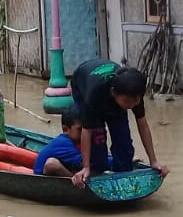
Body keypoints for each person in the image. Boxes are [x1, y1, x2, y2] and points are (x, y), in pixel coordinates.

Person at [69, 58, 169, 188]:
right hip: (82, 83)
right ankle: (90, 171)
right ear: (113, 93)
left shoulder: (133, 94)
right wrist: (86, 167)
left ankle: (122, 176)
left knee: (125, 148)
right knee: (98, 148)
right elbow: (86, 130)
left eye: (135, 102)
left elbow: (143, 125)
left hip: (114, 99)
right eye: (127, 102)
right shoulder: (94, 95)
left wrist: (153, 161)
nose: (132, 106)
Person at [34, 108, 87, 177]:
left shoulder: (71, 141)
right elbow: (84, 163)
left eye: (86, 129)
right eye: (80, 129)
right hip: (42, 178)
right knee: (52, 164)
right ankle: (73, 180)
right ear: (66, 130)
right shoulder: (65, 143)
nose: (85, 133)